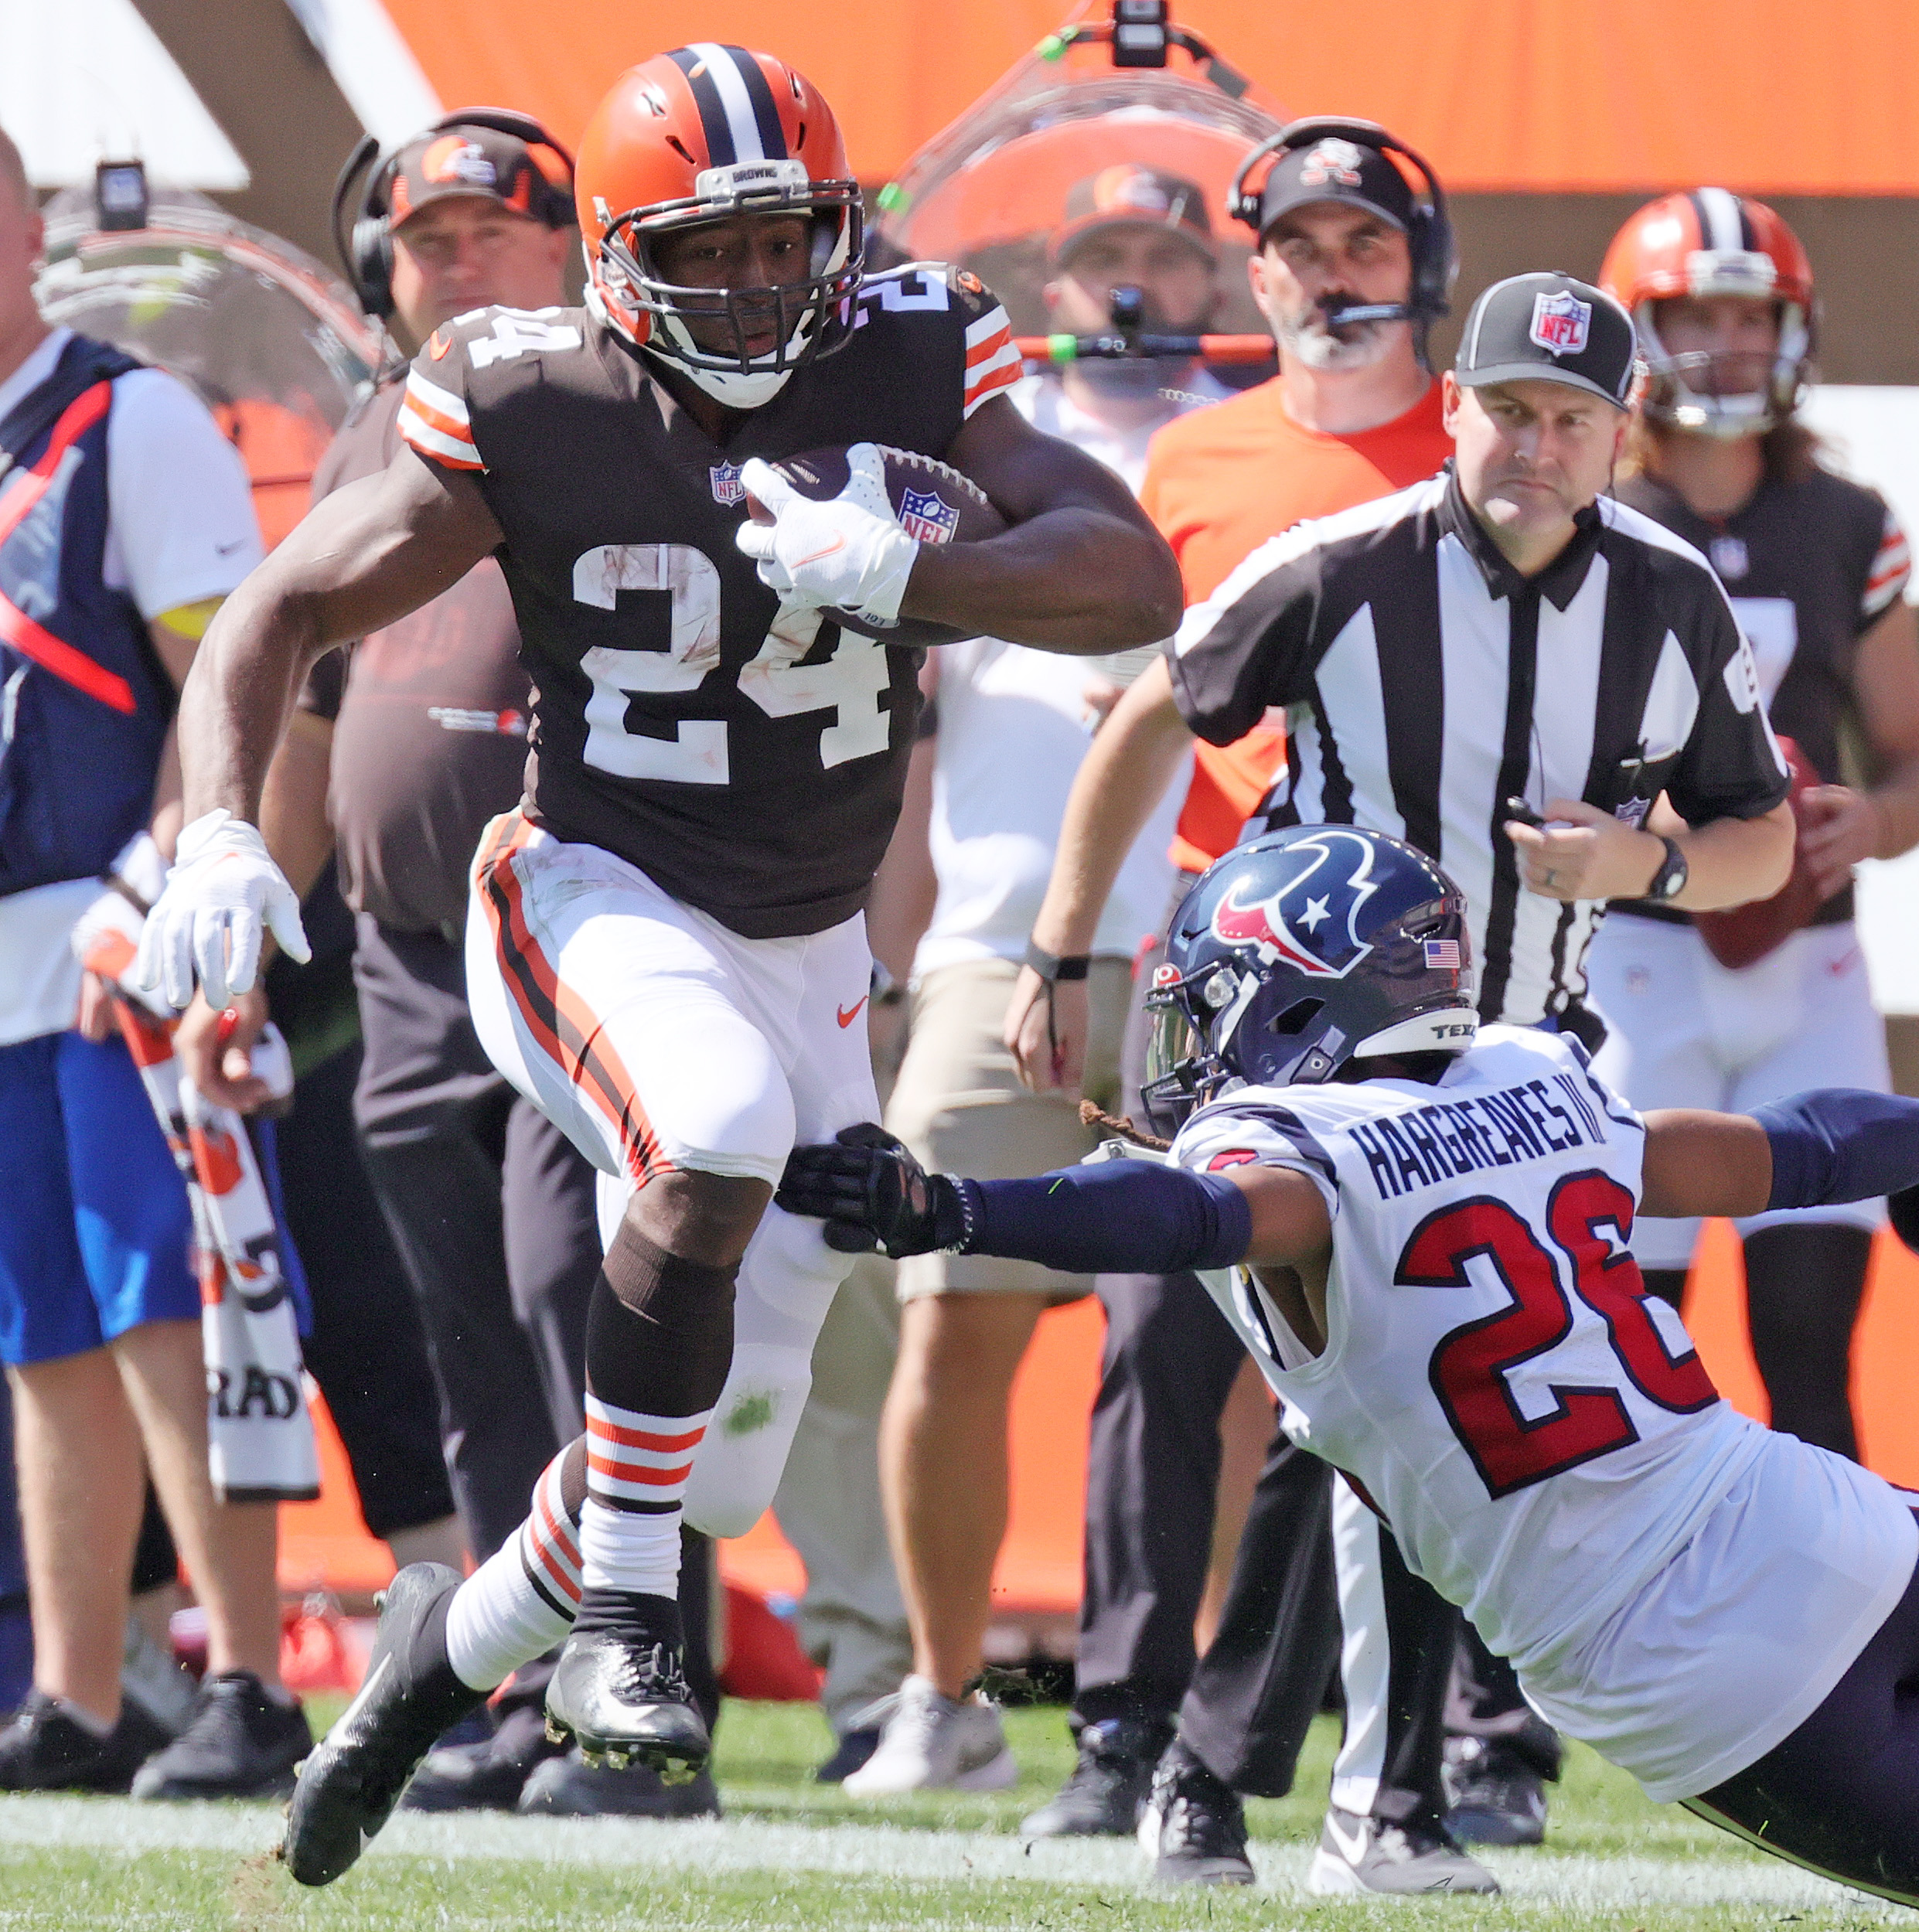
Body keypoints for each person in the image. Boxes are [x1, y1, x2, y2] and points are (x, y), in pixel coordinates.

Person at [128, 42, 1176, 1886]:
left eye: (790, 245)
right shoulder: (528, 389)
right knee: (706, 1130)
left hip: (812, 937)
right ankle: (627, 1633)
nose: (764, 289)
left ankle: (428, 1673)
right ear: (616, 256)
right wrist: (220, 824)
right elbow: (285, 604)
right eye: (716, 252)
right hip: (594, 886)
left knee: (702, 1464)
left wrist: (915, 573)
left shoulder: (918, 346)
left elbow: (1128, 574)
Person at [780, 822, 1919, 1931]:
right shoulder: (1533, 1080)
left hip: (1689, 1664)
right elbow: (1797, 1151)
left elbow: (1181, 1221)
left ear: (1294, 1005)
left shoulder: (1298, 1154)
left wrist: (952, 1208)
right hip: (1818, 1525)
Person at [1014, 271, 1798, 1889]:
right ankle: (1243, 1764)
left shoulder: (1667, 599)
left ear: (1616, 433)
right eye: (1509, 408)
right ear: (1452, 409)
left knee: (1390, 1422)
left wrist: (1639, 858)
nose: (1536, 444)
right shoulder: (1340, 567)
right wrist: (1061, 950)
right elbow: (1159, 708)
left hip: (1515, 1070)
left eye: (1573, 417)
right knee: (1267, 1381)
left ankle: (1247, 1778)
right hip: (1312, 1053)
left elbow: (1759, 839)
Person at [1003, 119, 1459, 1862]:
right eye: (1303, 243)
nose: (1333, 274)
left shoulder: (1490, 445)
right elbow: (1142, 719)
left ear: (1419, 261)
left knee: (1412, 1343)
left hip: (1439, 960)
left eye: (1365, 242)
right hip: (1236, 953)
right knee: (1158, 1329)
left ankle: (1428, 1738)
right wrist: (1065, 945)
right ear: (1255, 265)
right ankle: (1119, 1724)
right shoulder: (1191, 456)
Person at [239, 110, 703, 1821]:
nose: (445, 261)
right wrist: (254, 931)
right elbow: (305, 698)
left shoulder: (595, 407)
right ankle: (509, 1699)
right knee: (463, 1339)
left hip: (570, 926)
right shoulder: (380, 416)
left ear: (572, 247)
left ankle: (639, 1709)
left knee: (575, 1306)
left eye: (484, 233)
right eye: (423, 238)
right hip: (402, 952)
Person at [845, 164, 1217, 1798]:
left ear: (1215, 279)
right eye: (1099, 255)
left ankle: (1198, 1693)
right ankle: (945, 1695)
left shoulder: (1245, 446)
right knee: (950, 1322)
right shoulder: (972, 460)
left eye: (1161, 252)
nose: (1132, 284)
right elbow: (912, 744)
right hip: (994, 944)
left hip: (1218, 953)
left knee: (1211, 1349)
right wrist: (893, 961)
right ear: (1050, 283)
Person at [0, 124, 312, 1797]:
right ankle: (77, 1687)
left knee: (170, 1301)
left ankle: (250, 1673)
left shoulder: (130, 418)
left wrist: (172, 886)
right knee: (40, 1318)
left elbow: (225, 685)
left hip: (115, 930)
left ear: (25, 226)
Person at [1589, 190, 1919, 1460]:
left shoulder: (1847, 522)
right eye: (1699, 313)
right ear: (1639, 325)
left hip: (1813, 971)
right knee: (1631, 1356)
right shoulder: (1589, 523)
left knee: (1808, 1347)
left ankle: (1834, 1649)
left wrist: (1871, 825)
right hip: (1634, 967)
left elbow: (1915, 769)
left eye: (1754, 316)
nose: (1730, 343)